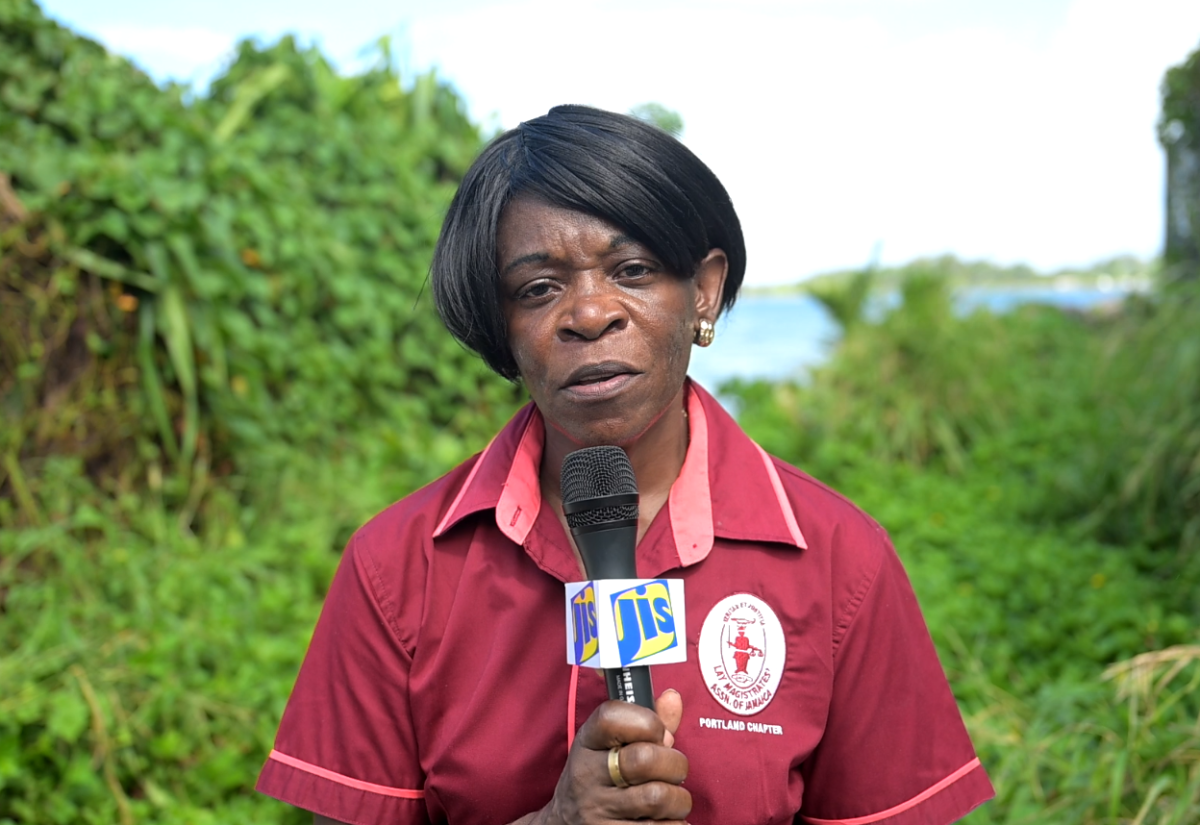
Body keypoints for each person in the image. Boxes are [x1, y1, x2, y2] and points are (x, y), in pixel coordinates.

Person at [256, 105, 995, 825]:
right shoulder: (397, 567)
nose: (588, 313)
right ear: (500, 326)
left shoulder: (840, 559)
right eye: (539, 288)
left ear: (702, 290)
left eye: (632, 270)